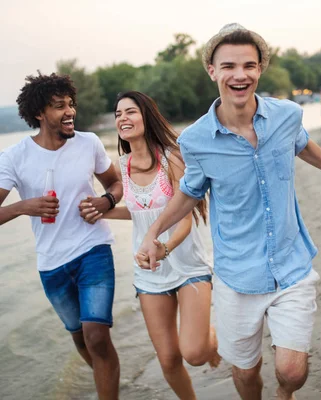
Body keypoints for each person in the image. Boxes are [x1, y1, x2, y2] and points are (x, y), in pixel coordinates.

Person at [135, 23, 321, 400]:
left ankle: (285, 394)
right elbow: (188, 191)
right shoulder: (195, 140)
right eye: (228, 66)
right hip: (236, 275)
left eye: (249, 65)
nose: (239, 75)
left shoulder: (287, 115)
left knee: (292, 371)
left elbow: (302, 144)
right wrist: (154, 233)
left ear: (260, 68)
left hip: (291, 263)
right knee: (246, 374)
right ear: (212, 71)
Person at [79, 91, 220, 398]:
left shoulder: (173, 158)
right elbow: (141, 210)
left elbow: (184, 217)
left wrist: (164, 247)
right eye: (118, 114)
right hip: (148, 271)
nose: (122, 118)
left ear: (146, 116)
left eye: (130, 112)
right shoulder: (123, 164)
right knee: (169, 358)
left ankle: (212, 340)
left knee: (194, 353)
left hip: (187, 265)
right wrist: (101, 211)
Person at [0, 73, 122, 399]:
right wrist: (23, 206)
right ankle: (109, 382)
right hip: (51, 264)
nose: (70, 112)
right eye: (59, 106)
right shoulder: (14, 157)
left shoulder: (89, 143)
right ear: (39, 113)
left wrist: (105, 200)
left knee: (97, 336)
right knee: (81, 339)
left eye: (71, 104)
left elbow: (116, 183)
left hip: (93, 249)